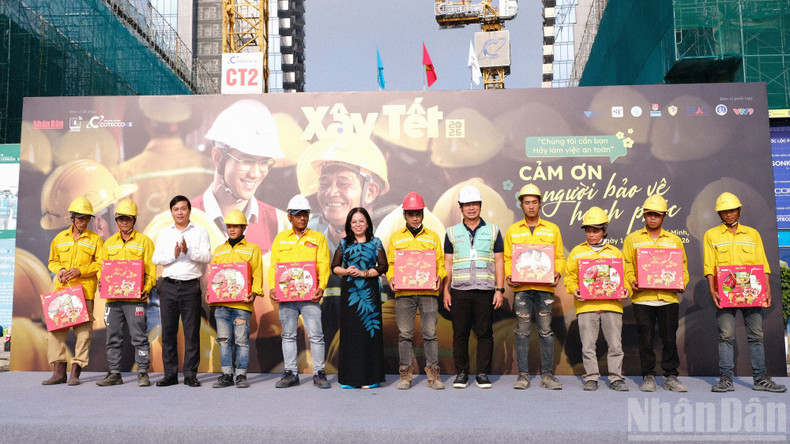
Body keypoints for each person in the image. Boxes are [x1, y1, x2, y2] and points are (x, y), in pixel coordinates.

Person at [301, 137, 389, 350]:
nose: (331, 192)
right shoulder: (305, 239)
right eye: (325, 184)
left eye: (343, 183)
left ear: (370, 191)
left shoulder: (386, 240)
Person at [704, 192, 786, 393]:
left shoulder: (752, 234)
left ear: (739, 211)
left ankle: (760, 378)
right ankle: (726, 379)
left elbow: (762, 264)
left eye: (732, 210)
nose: (729, 214)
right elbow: (709, 266)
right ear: (719, 214)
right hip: (725, 293)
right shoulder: (711, 235)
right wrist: (713, 290)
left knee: (756, 335)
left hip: (752, 292)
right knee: (726, 335)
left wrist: (766, 289)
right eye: (724, 211)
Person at [193, 99, 289, 252]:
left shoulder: (281, 226)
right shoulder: (183, 219)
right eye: (246, 161)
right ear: (218, 158)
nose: (256, 173)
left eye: (264, 162)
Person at [622, 194, 689, 392]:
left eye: (657, 215)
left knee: (669, 339)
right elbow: (627, 264)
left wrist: (681, 282)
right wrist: (631, 280)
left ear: (663, 217)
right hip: (643, 298)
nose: (653, 218)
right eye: (649, 214)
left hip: (668, 298)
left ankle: (671, 376)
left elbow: (682, 266)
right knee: (646, 339)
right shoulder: (632, 239)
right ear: (644, 215)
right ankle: (648, 376)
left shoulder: (674, 240)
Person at [504, 183, 564, 390]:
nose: (531, 206)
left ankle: (547, 375)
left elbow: (558, 257)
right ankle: (523, 375)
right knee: (522, 331)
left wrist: (557, 271)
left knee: (546, 331)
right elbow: (507, 258)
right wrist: (509, 274)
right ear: (521, 205)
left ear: (540, 204)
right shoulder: (513, 230)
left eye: (534, 202)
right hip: (521, 289)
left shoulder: (552, 229)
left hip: (545, 290)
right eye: (527, 202)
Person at [443, 185, 504, 389]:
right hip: (459, 290)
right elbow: (448, 264)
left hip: (485, 290)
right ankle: (461, 373)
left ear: (480, 206)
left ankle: (482, 374)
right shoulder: (451, 232)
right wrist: (446, 290)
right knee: (460, 334)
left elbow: (500, 261)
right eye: (467, 205)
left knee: (485, 333)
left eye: (475, 204)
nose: (471, 208)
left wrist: (499, 289)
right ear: (460, 208)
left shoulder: (494, 230)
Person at [564, 207, 630, 391]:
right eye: (588, 230)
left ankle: (616, 378)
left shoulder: (615, 252)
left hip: (612, 305)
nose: (591, 234)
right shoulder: (577, 252)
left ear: (604, 230)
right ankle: (591, 377)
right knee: (587, 345)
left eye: (595, 230)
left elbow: (626, 277)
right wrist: (574, 288)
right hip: (586, 306)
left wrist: (627, 290)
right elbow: (569, 277)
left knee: (615, 345)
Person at [268, 194, 331, 389]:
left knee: (316, 336)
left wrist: (321, 287)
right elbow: (274, 266)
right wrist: (272, 286)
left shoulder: (318, 238)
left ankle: (319, 373)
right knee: (288, 335)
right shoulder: (280, 239)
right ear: (289, 217)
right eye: (297, 214)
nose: (302, 218)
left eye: (305, 214)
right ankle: (290, 373)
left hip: (310, 297)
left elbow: (323, 265)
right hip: (287, 298)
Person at [386, 192, 447, 390]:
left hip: (428, 292)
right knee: (405, 334)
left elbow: (440, 263)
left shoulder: (432, 237)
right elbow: (390, 264)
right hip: (404, 293)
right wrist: (391, 277)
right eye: (411, 213)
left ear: (422, 214)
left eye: (418, 213)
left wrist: (440, 275)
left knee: (430, 333)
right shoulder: (396, 238)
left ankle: (433, 374)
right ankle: (405, 374)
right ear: (405, 215)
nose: (414, 217)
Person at [42, 197, 104, 386]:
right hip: (62, 293)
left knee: (84, 334)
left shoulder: (95, 240)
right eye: (80, 218)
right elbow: (52, 261)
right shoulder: (60, 239)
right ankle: (58, 372)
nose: (83, 222)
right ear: (72, 218)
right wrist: (59, 270)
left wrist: (80, 271)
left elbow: (100, 263)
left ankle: (75, 372)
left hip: (84, 293)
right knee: (56, 333)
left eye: (87, 218)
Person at [152, 195, 212, 387]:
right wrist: (174, 254)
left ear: (189, 211)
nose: (180, 212)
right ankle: (170, 374)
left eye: (183, 209)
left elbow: (206, 256)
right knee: (168, 332)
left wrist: (188, 251)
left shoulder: (200, 231)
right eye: (176, 209)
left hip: (190, 286)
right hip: (168, 286)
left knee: (192, 332)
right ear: (171, 212)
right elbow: (156, 259)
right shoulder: (164, 233)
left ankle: (190, 374)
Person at [95, 199, 156, 387]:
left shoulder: (144, 242)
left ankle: (143, 372)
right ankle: (114, 373)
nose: (124, 222)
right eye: (121, 219)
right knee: (113, 337)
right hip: (113, 300)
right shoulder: (109, 244)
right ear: (116, 220)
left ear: (134, 219)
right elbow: (102, 267)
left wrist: (146, 289)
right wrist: (101, 280)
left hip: (135, 300)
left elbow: (151, 270)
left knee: (139, 337)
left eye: (128, 219)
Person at [331, 207, 388, 389]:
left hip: (369, 292)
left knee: (369, 334)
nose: (357, 225)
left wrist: (364, 273)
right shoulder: (344, 244)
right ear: (349, 224)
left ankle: (370, 378)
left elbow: (383, 266)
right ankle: (350, 379)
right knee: (351, 334)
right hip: (350, 293)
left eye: (361, 221)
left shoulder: (376, 242)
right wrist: (346, 271)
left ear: (368, 223)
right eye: (354, 221)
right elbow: (335, 267)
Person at [209, 209, 262, 389]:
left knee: (241, 341)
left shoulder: (252, 249)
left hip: (241, 305)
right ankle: (226, 375)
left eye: (235, 226)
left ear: (243, 227)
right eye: (229, 226)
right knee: (224, 340)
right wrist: (211, 292)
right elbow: (214, 276)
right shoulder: (219, 250)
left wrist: (254, 292)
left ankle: (241, 375)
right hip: (221, 305)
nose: (231, 229)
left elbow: (257, 273)